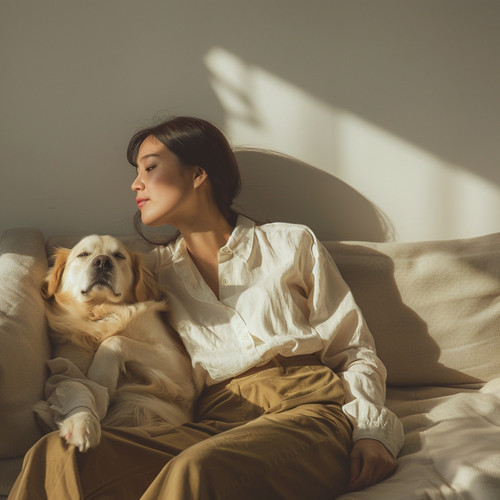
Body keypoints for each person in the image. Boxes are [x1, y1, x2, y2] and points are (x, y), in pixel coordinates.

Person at [9, 116, 404, 499]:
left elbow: (354, 350)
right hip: (213, 421)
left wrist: (372, 430)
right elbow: (89, 327)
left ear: (198, 175)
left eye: (150, 168)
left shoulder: (291, 244)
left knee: (195, 469)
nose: (135, 183)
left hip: (305, 409)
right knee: (57, 454)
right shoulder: (153, 274)